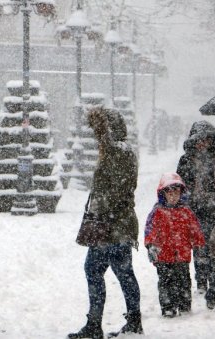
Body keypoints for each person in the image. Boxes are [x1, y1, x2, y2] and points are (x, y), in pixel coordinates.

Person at [69, 107, 142, 339]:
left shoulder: (117, 151)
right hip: (113, 223)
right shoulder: (121, 151)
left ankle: (110, 323)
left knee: (112, 271)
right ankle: (125, 321)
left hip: (113, 224)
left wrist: (100, 210)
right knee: (112, 271)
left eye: (100, 131)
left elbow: (116, 191)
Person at [176, 120, 215, 293]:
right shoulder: (187, 159)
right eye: (199, 139)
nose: (203, 143)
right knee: (200, 246)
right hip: (196, 209)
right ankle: (202, 281)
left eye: (207, 139)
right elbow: (180, 184)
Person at [144, 173, 205, 318]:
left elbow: (195, 229)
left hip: (182, 255)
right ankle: (168, 307)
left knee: (184, 281)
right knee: (166, 283)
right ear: (162, 193)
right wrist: (150, 244)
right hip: (163, 255)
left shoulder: (186, 212)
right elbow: (149, 230)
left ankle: (184, 305)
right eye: (169, 192)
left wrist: (199, 243)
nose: (173, 195)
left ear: (181, 193)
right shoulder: (157, 212)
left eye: (176, 192)